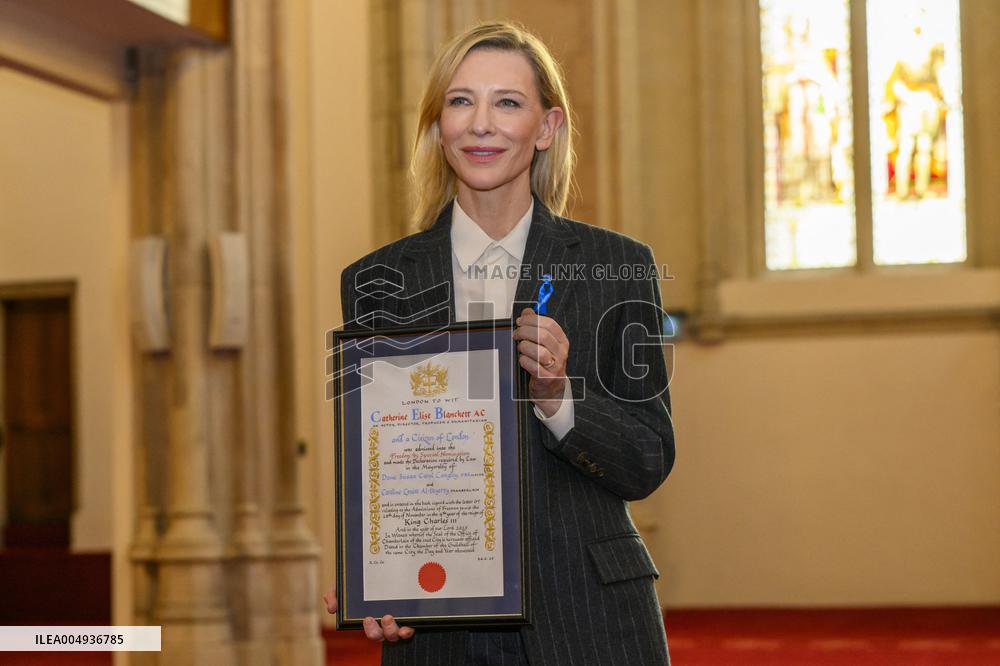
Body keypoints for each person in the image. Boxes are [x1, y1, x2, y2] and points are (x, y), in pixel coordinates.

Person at [325, 21, 676, 665]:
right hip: (438, 631)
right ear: (438, 126)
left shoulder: (617, 266)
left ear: (546, 128)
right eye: (461, 101)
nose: (481, 123)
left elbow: (647, 459)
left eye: (507, 103)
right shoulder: (377, 281)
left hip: (588, 615)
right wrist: (376, 577)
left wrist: (558, 398)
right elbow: (385, 464)